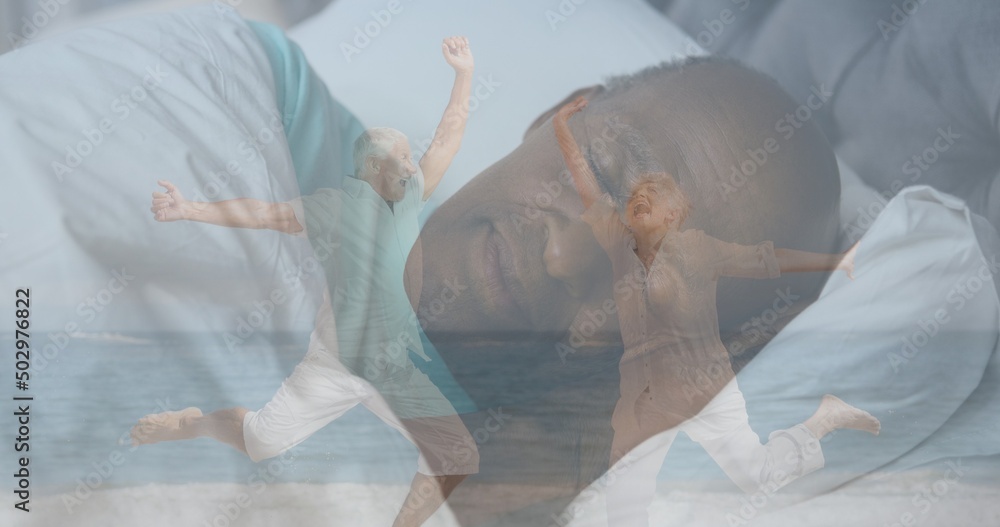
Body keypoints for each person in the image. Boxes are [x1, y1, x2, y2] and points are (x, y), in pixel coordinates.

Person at [131, 36, 478, 527]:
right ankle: (193, 422)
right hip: (334, 363)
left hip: (396, 367)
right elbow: (263, 214)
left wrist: (463, 73)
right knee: (258, 444)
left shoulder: (408, 199)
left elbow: (448, 136)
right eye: (400, 158)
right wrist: (190, 209)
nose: (410, 165)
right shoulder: (331, 207)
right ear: (372, 167)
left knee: (456, 455)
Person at [553, 94, 881, 526]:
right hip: (645, 400)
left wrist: (833, 262)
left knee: (758, 475)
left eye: (653, 195)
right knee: (625, 503)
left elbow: (769, 259)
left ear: (674, 214)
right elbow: (586, 186)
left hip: (704, 388)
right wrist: (562, 128)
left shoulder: (699, 250)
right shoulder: (619, 244)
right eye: (636, 195)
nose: (640, 198)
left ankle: (825, 418)